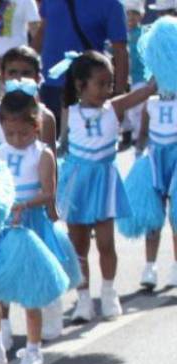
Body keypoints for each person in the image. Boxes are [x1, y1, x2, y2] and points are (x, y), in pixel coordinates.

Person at [0, 88, 80, 364]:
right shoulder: (0, 153)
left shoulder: (43, 155)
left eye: (23, 133)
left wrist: (24, 204)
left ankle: (33, 350)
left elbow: (48, 194)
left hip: (30, 225)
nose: (16, 140)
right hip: (3, 226)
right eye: (10, 133)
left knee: (29, 292)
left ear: (36, 127)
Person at [55, 51, 154, 322]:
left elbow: (147, 91)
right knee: (78, 246)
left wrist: (163, 66)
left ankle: (109, 292)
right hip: (76, 183)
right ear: (80, 84)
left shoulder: (115, 108)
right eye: (100, 83)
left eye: (109, 84)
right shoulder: (69, 111)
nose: (107, 89)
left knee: (107, 243)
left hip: (103, 181)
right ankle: (83, 300)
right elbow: (58, 141)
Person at [34, 0, 128, 125]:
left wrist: (118, 95)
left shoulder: (112, 4)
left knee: (86, 142)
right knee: (45, 141)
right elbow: (43, 30)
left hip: (87, 91)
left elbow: (120, 51)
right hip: (47, 87)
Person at [136, 86, 177, 291]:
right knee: (153, 214)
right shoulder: (150, 103)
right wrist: (138, 153)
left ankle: (176, 267)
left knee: (176, 216)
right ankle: (150, 266)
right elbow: (143, 133)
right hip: (154, 161)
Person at [0, 45, 56, 155]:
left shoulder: (45, 118)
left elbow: (50, 163)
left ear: (37, 78)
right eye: (12, 72)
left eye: (26, 73)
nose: (19, 78)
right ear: (2, 76)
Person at [0, 0, 40, 105]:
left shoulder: (26, 2)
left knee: (17, 104)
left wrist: (34, 58)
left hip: (16, 62)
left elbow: (35, 30)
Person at [121, 0, 147, 148]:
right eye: (127, 14)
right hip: (125, 79)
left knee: (137, 109)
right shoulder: (121, 35)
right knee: (126, 109)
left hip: (139, 78)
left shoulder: (143, 33)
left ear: (141, 16)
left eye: (134, 14)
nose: (130, 17)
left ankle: (139, 137)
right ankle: (127, 133)